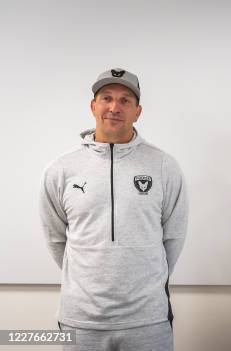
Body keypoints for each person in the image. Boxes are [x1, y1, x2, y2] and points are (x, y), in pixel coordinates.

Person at [39, 68, 188, 350]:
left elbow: (173, 239)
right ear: (93, 106)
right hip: (81, 321)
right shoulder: (61, 169)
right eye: (106, 98)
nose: (114, 107)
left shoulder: (164, 166)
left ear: (138, 111)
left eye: (125, 100)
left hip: (148, 321)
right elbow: (56, 239)